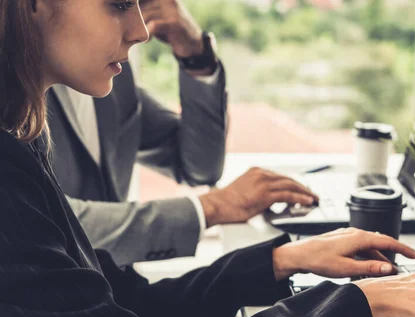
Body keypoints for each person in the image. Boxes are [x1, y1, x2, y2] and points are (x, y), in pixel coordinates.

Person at [0, 1, 415, 317]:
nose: (142, 29)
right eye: (120, 3)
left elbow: (132, 303)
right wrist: (345, 308)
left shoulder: (21, 137)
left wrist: (281, 261)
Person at [46, 0, 319, 266]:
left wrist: (195, 54)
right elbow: (48, 224)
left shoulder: (110, 77)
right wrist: (211, 208)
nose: (141, 33)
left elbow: (199, 167)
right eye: (120, 4)